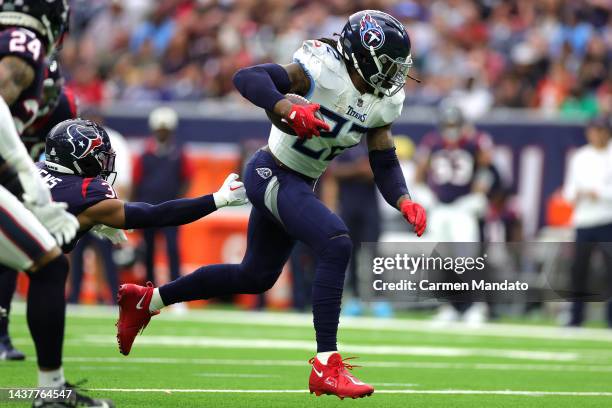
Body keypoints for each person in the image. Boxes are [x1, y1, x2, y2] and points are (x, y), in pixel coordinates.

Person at [116, 10, 426, 399]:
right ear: (362, 54)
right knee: (336, 241)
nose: (394, 76)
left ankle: (149, 299)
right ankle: (326, 366)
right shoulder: (321, 67)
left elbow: (383, 158)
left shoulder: (384, 102)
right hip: (271, 171)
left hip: (299, 181)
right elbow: (247, 78)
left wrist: (403, 199)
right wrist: (287, 107)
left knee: (255, 277)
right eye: (388, 65)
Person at [0, 2, 109, 407]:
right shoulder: (23, 41)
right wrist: (28, 182)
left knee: (45, 262)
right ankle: (50, 393)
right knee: (49, 264)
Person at [0, 56, 78, 361]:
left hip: (30, 182)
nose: (45, 100)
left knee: (30, 257)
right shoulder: (9, 101)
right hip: (14, 178)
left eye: (50, 91)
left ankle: (2, 332)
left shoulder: (62, 107)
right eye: (40, 91)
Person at [416, 105, 495, 325]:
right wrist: (424, 195)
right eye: (448, 125)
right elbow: (419, 173)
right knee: (441, 259)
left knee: (468, 259)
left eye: (454, 125)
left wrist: (478, 194)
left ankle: (477, 306)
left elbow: (486, 169)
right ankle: (448, 305)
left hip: (463, 208)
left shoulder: (474, 143)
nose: (451, 130)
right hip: (440, 208)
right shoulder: (432, 143)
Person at [132, 107, 193, 285]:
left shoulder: (179, 154)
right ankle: (148, 287)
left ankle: (176, 287)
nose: (163, 134)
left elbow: (187, 177)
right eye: (160, 130)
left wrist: (179, 200)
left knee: (173, 249)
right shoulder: (145, 154)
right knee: (148, 250)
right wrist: (135, 207)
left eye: (165, 130)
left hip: (171, 209)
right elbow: (136, 181)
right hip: (148, 208)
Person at [562, 116, 612, 327]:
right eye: (593, 130)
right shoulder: (580, 157)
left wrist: (598, 193)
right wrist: (577, 194)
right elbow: (568, 190)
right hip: (584, 220)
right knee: (578, 270)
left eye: (600, 130)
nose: (596, 135)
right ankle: (575, 317)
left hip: (608, 220)